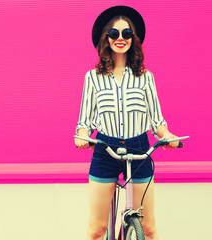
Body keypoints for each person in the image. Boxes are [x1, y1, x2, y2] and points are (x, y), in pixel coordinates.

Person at [74, 6, 179, 240]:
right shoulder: (92, 78)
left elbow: (157, 121)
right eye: (114, 34)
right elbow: (84, 121)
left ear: (134, 39)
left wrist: (167, 135)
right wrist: (82, 136)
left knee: (149, 228)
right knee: (96, 230)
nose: (120, 39)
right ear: (106, 38)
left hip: (139, 149)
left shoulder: (145, 77)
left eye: (126, 34)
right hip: (105, 151)